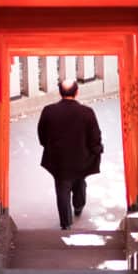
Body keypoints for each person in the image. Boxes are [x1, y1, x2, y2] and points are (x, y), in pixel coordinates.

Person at [37, 79, 104, 230]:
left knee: (62, 188)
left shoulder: (48, 111)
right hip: (81, 158)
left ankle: (66, 223)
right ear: (77, 92)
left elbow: (42, 134)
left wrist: (49, 146)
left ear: (60, 93)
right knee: (80, 181)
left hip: (58, 160)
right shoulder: (87, 112)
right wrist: (96, 150)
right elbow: (95, 137)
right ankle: (79, 206)